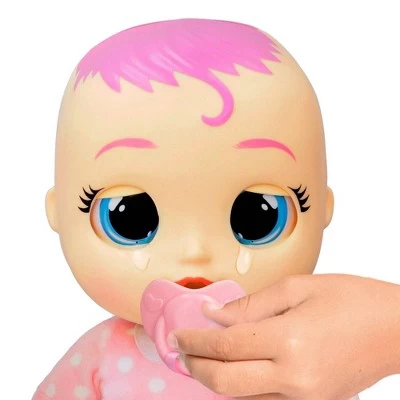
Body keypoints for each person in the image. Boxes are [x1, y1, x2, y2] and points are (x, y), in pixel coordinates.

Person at [33, 18, 366, 399]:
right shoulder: (103, 355)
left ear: (323, 209)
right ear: (58, 212)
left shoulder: (300, 352)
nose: (195, 251)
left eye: (258, 216)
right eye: (129, 216)